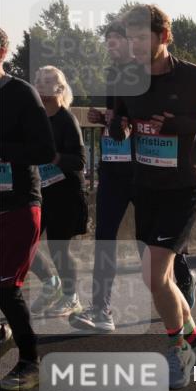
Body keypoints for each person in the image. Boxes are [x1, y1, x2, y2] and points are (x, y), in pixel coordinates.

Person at [109, 4, 196, 389]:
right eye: (130, 38)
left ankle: (180, 352)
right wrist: (117, 125)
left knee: (154, 275)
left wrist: (178, 126)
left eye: (142, 38)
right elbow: (120, 124)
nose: (134, 46)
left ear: (163, 37)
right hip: (146, 184)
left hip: (184, 184)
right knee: (163, 278)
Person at [70, 23, 142, 333]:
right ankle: (102, 308)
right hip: (114, 166)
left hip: (143, 168)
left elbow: (144, 121)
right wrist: (105, 119)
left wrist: (125, 123)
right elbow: (118, 120)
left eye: (115, 42)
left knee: (150, 243)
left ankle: (181, 277)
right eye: (107, 42)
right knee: (104, 237)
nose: (110, 47)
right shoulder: (113, 75)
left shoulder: (146, 75)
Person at [0, 28, 56, 391]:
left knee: (5, 287)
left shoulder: (21, 93)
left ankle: (29, 361)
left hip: (18, 204)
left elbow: (45, 151)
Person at [28, 67, 88, 319]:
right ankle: (51, 282)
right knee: (23, 244)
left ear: (58, 89)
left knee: (59, 248)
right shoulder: (34, 117)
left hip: (66, 193)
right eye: (38, 83)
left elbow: (80, 160)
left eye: (46, 84)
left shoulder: (66, 119)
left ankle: (71, 297)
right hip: (39, 191)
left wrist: (54, 157)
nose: (41, 90)